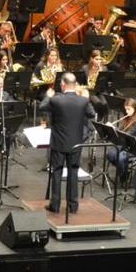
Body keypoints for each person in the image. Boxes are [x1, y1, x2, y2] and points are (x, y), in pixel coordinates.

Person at [39, 73, 96, 214]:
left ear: (63, 84)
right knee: (73, 173)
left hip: (59, 143)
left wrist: (49, 95)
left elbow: (42, 106)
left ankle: (55, 205)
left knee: (57, 172)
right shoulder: (83, 101)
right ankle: (73, 206)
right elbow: (92, 114)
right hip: (76, 142)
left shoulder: (56, 100)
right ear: (75, 85)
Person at [106, 98, 136, 180]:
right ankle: (123, 170)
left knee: (121, 158)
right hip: (125, 143)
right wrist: (111, 129)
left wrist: (113, 128)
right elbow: (121, 130)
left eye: (129, 109)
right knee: (110, 154)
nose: (127, 112)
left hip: (135, 147)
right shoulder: (127, 118)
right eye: (126, 109)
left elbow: (127, 134)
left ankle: (123, 177)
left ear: (135, 108)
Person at [82, 49, 109, 119]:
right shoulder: (85, 68)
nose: (98, 61)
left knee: (105, 104)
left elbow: (105, 82)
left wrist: (100, 72)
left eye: (100, 59)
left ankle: (105, 121)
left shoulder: (104, 69)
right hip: (89, 91)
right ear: (92, 59)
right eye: (96, 59)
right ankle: (98, 119)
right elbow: (81, 82)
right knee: (98, 103)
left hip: (98, 91)